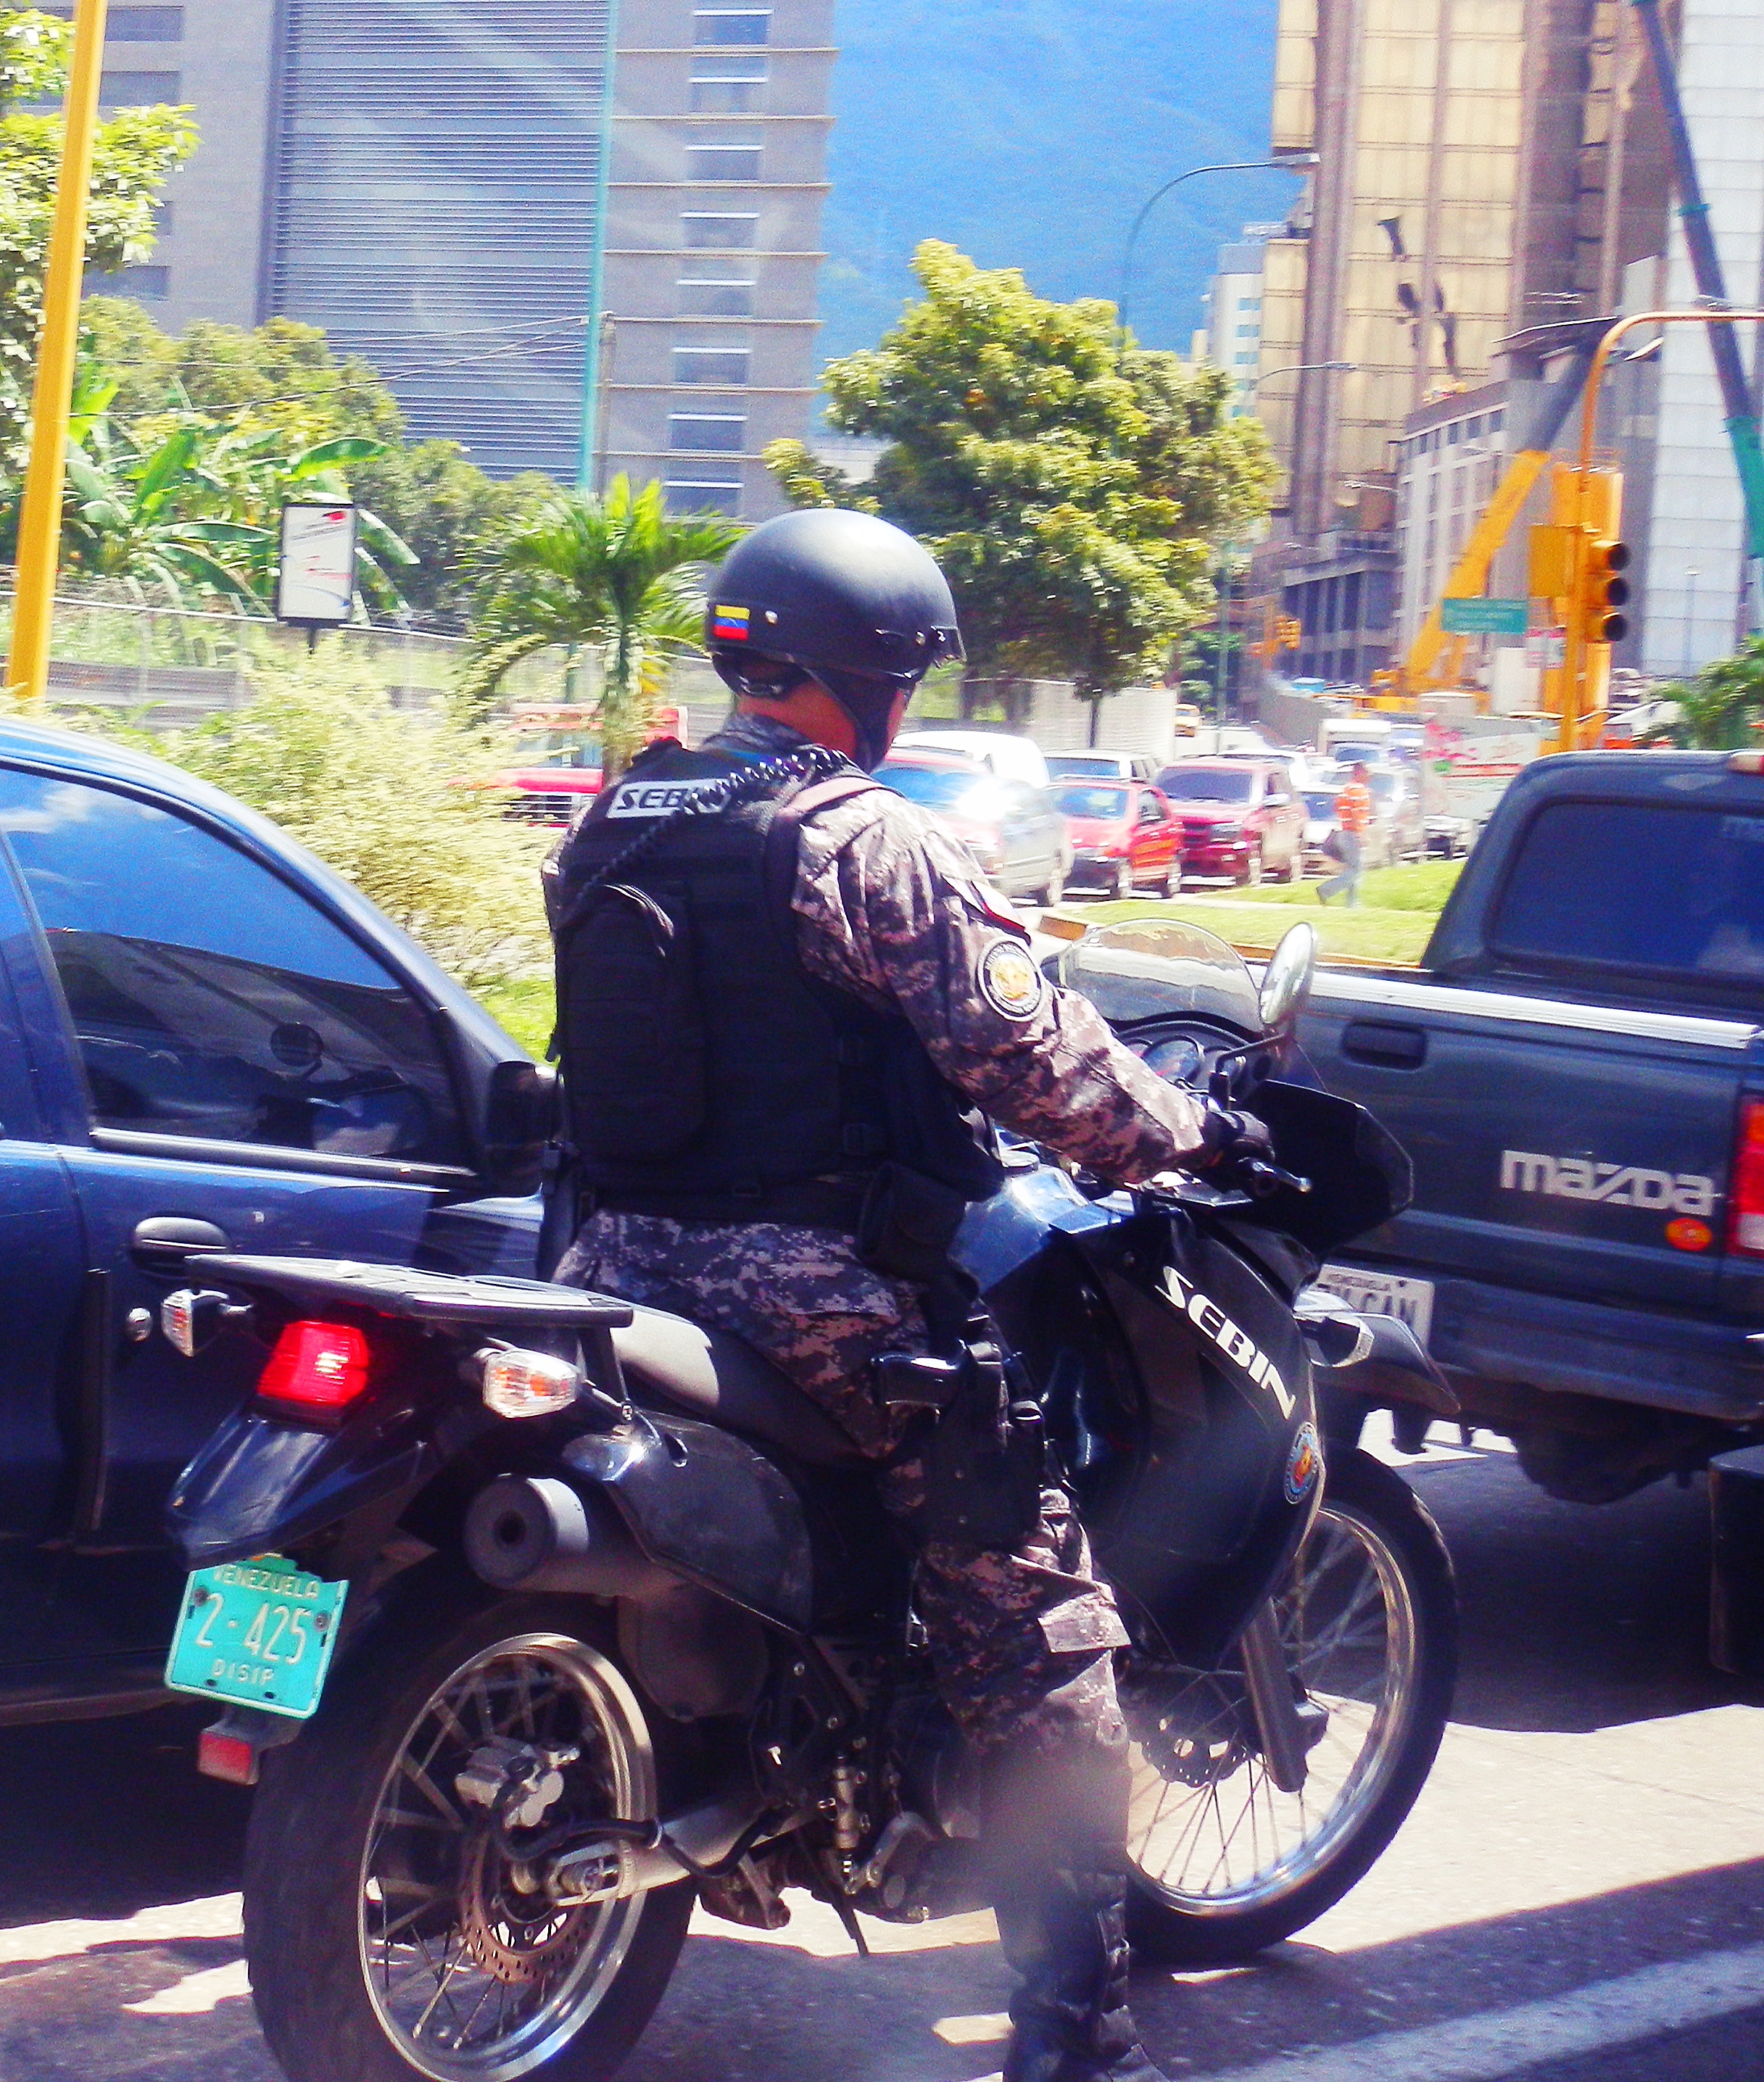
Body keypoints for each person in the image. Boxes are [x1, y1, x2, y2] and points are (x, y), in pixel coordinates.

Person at [547, 507, 1264, 2082]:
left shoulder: (615, 817)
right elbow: (1035, 1058)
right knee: (1038, 1605)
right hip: (814, 1296)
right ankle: (1080, 2030)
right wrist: (1190, 1131)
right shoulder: (863, 839)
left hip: (609, 1267)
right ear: (875, 671)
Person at [1318, 762, 1372, 907]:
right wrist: (1361, 833)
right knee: (1355, 871)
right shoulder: (1359, 790)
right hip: (1353, 834)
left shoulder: (1345, 790)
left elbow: (1337, 808)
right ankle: (1326, 890)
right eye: (1367, 772)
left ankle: (1352, 903)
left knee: (1352, 869)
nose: (1369, 776)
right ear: (1359, 772)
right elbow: (1356, 813)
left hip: (1344, 832)